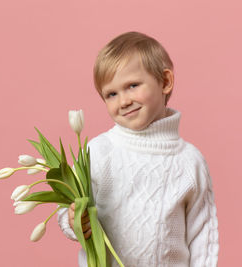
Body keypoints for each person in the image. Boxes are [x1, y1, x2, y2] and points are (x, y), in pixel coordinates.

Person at [57, 31, 219, 267]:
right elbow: (68, 207)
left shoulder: (189, 161)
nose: (123, 101)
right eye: (111, 94)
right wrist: (73, 222)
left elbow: (202, 236)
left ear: (165, 82)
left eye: (132, 85)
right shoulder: (99, 151)